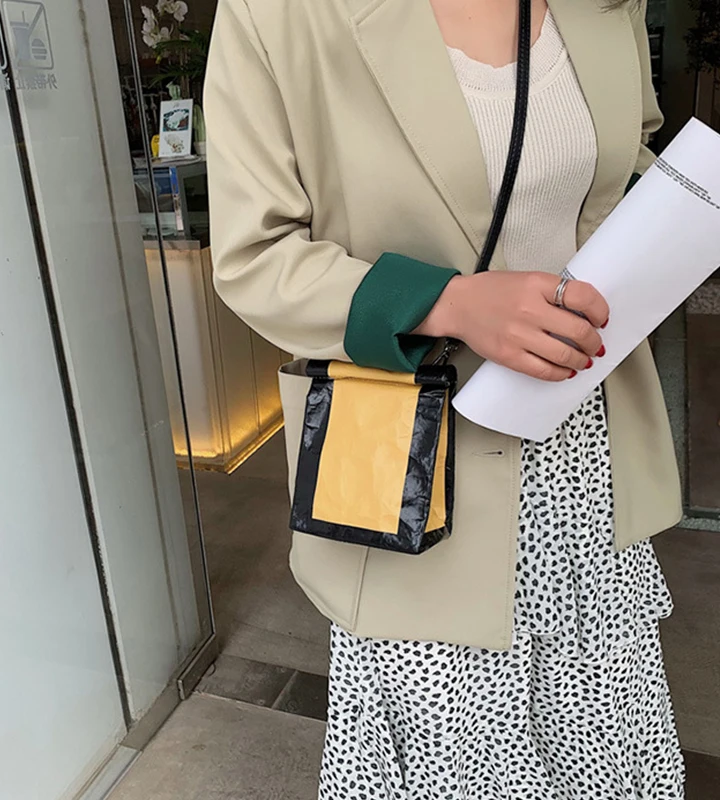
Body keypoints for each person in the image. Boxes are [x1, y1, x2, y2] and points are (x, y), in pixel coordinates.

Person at [204, 0, 685, 796]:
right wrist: (448, 303)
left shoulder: (607, 4)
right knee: (452, 754)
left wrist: (668, 228)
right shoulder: (279, 15)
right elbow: (255, 256)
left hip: (584, 452)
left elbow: (621, 159)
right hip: (414, 459)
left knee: (598, 729)